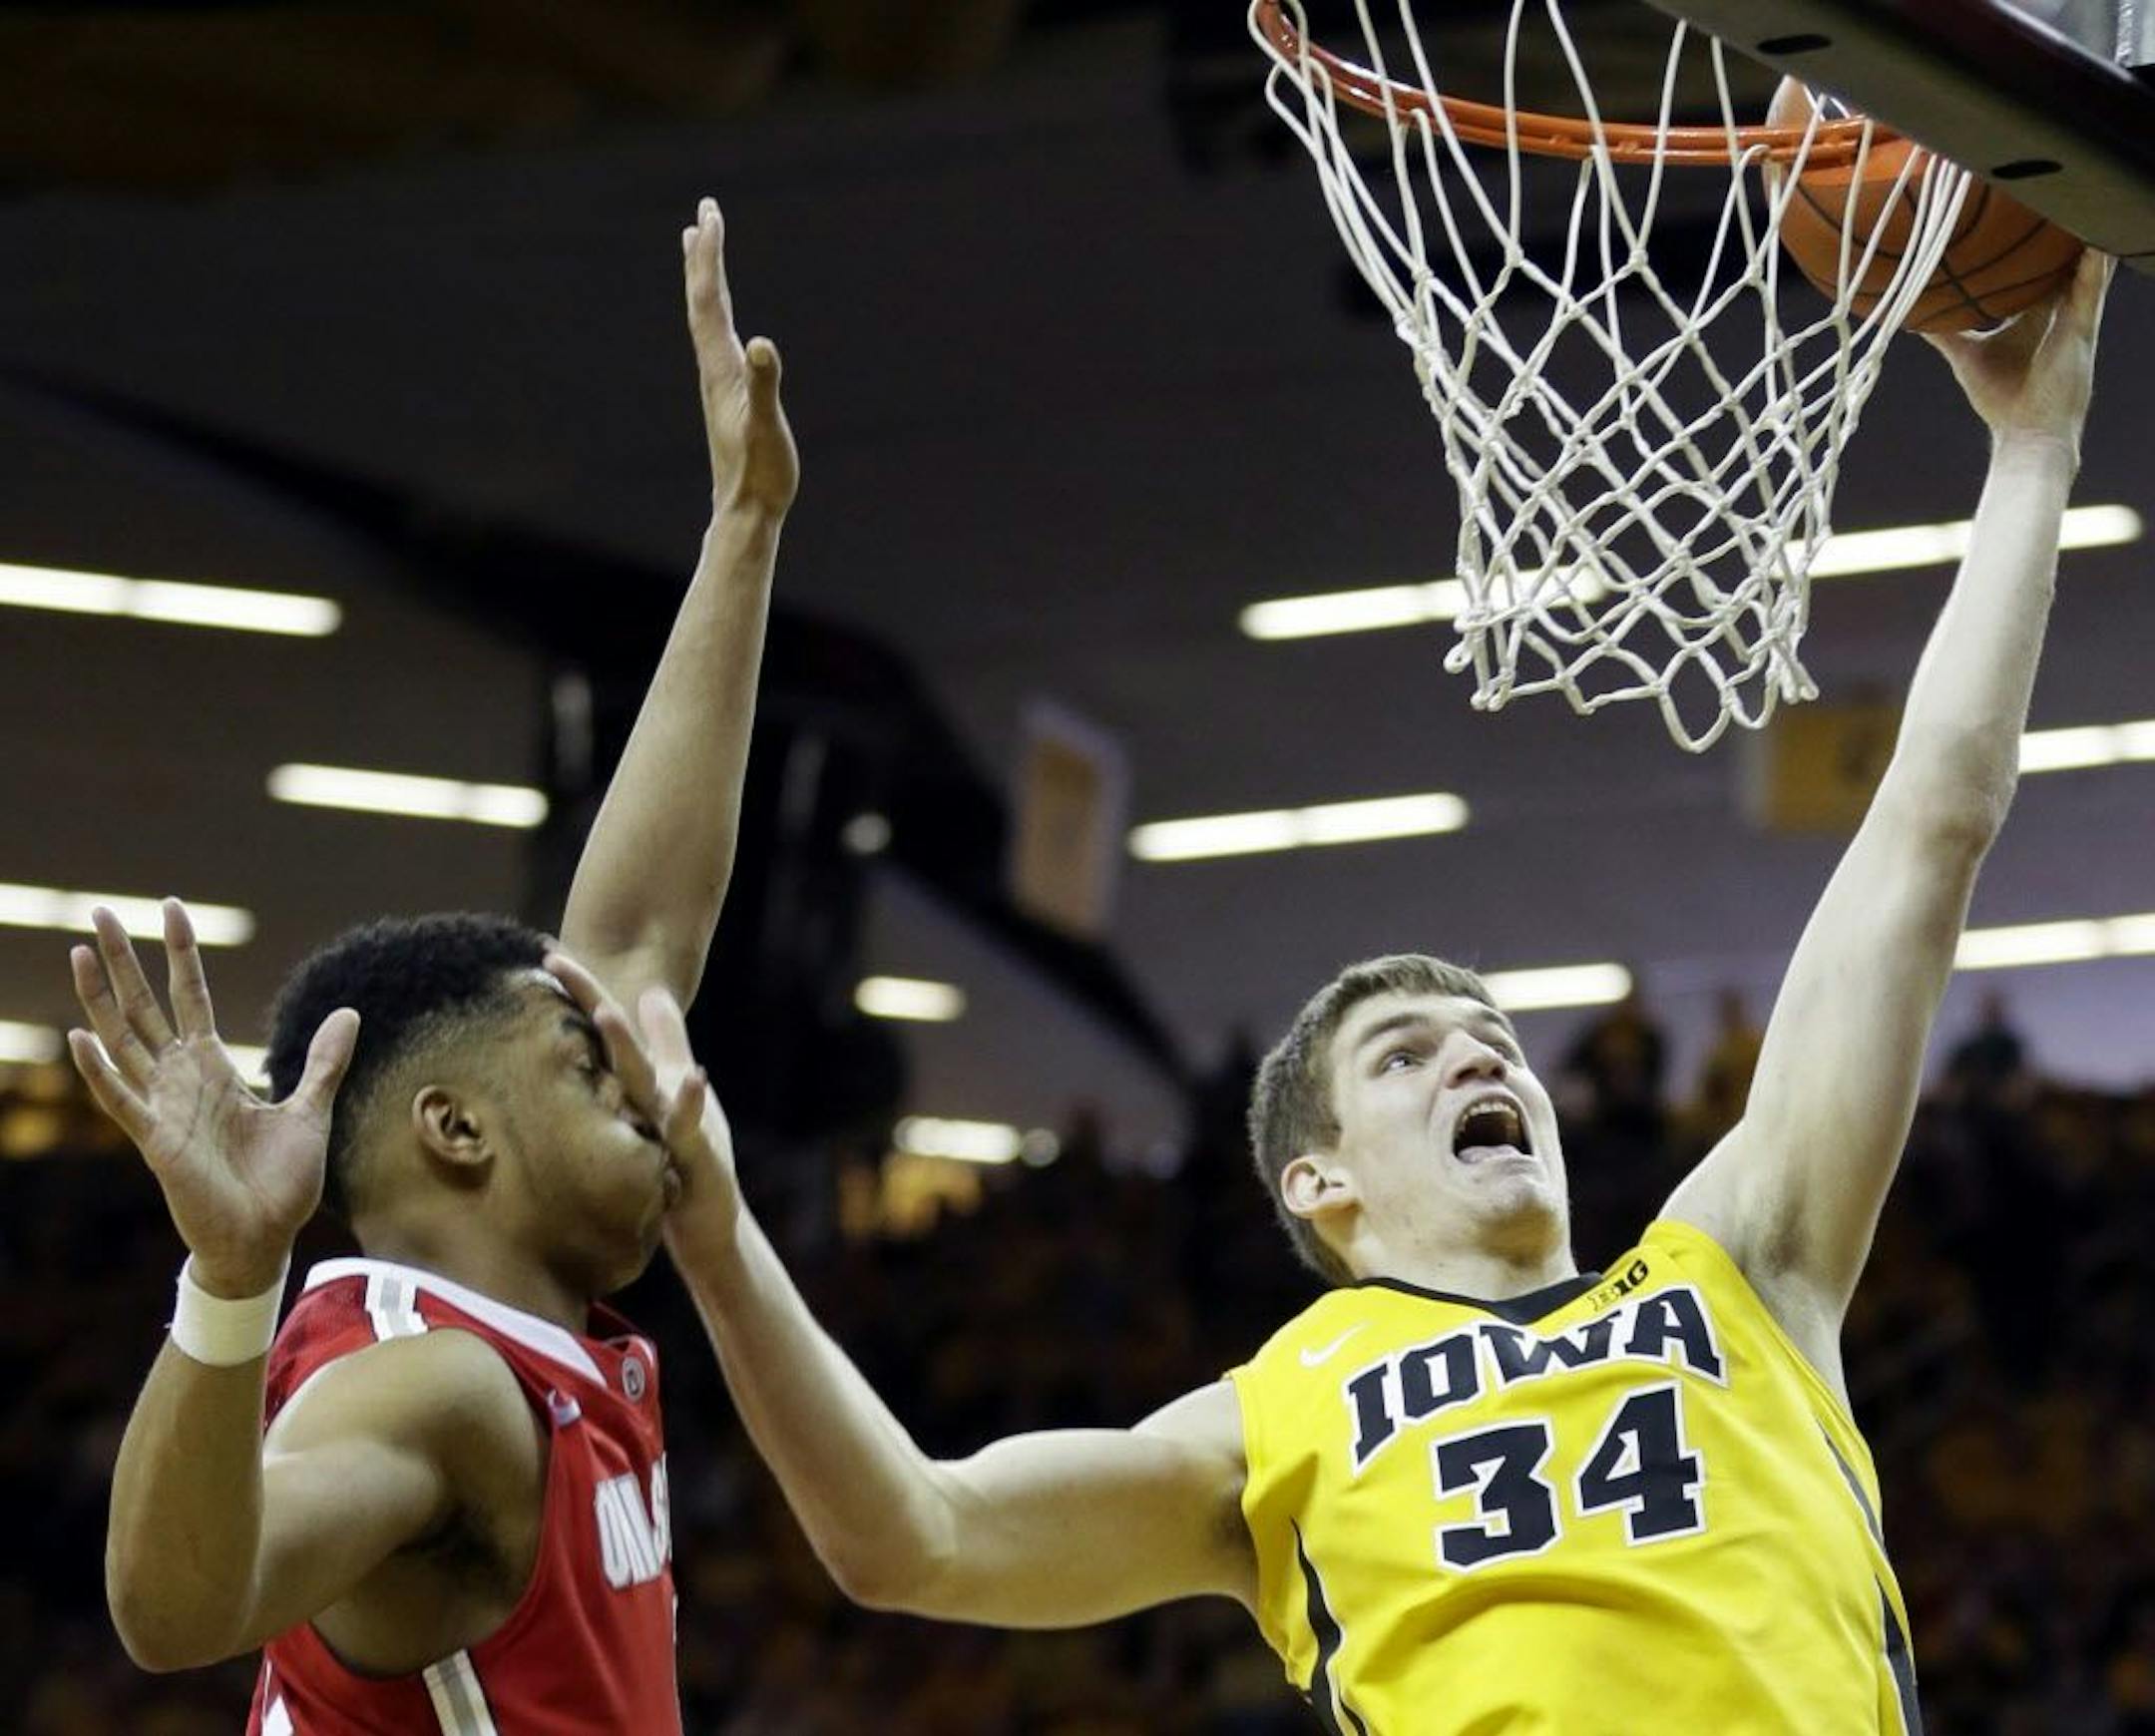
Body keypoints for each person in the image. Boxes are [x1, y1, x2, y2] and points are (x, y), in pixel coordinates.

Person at [553, 253, 2113, 1734]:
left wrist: (2033, 452)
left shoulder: (1744, 1264)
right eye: (1408, 1054)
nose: (1474, 1057)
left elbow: (1926, 834)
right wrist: (720, 1232)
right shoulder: (1274, 1414)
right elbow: (915, 1536)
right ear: (1318, 1177)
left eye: (1492, 1040)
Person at [74, 197, 798, 1733]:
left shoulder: (528, 1349)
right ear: (456, 1131)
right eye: (586, 1064)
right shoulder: (439, 1389)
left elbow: (638, 938)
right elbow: (175, 1609)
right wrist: (223, 1283)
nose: (649, 1080)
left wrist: (744, 529)